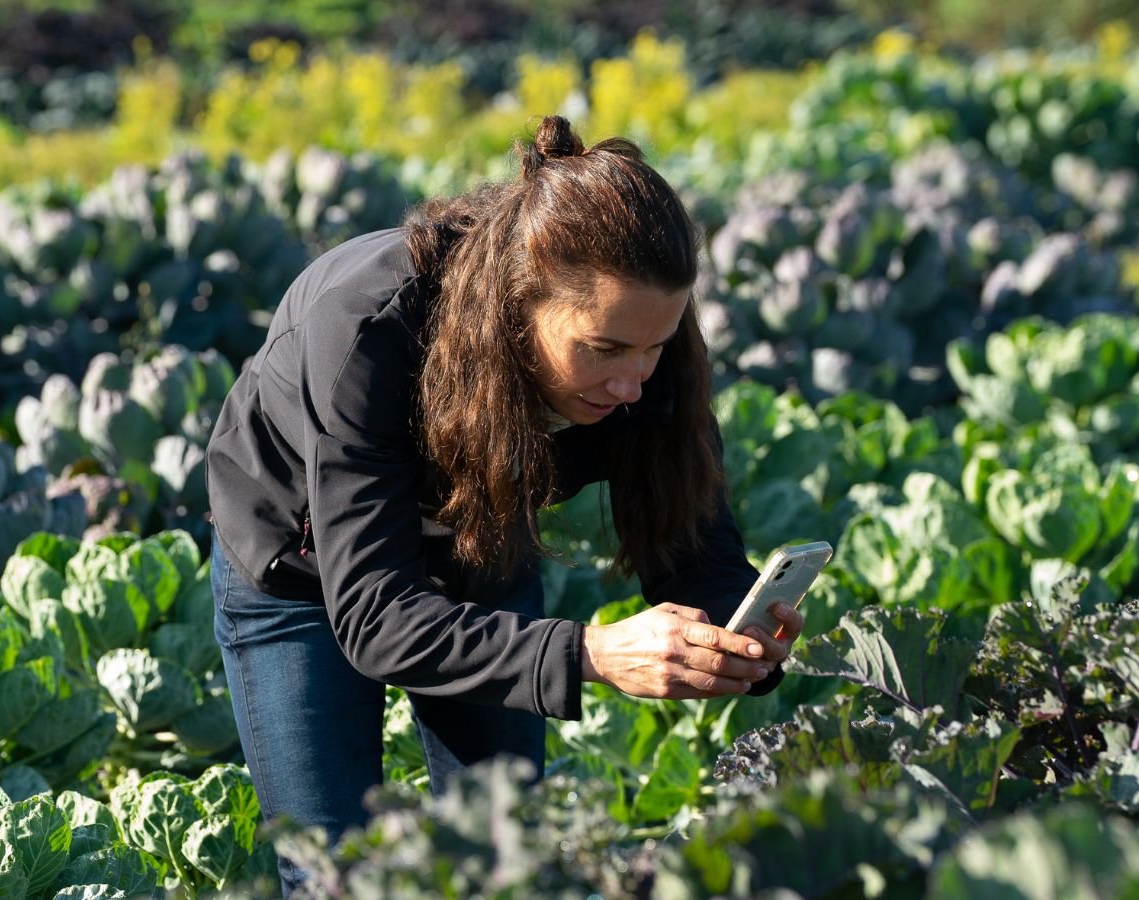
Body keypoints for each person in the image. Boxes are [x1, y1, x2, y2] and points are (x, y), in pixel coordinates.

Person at [204, 115, 804, 895]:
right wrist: (591, 653)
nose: (634, 386)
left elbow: (691, 542)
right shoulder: (367, 333)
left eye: (655, 348)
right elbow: (376, 617)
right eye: (606, 351)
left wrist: (737, 635)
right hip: (302, 566)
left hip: (478, 537)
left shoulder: (647, 344)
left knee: (505, 861)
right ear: (521, 305)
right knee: (331, 872)